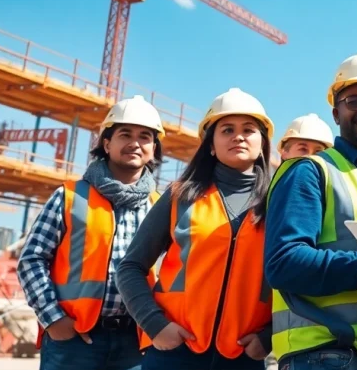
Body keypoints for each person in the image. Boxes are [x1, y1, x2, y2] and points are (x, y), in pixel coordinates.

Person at [117, 87, 274, 370]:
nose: (238, 136)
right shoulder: (180, 196)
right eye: (227, 130)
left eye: (248, 130)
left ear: (262, 143)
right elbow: (130, 267)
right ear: (211, 145)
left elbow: (293, 278)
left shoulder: (279, 202)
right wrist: (155, 325)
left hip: (243, 356)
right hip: (175, 352)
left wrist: (268, 336)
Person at [265, 50, 357, 370]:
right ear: (336, 114)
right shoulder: (310, 171)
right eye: (354, 101)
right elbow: (282, 262)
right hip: (322, 351)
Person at [17, 95, 165, 370]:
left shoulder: (161, 207)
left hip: (136, 341)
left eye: (145, 136)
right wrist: (54, 319)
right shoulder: (70, 196)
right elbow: (31, 259)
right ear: (106, 144)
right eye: (125, 134)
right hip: (74, 340)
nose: (135, 143)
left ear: (153, 149)